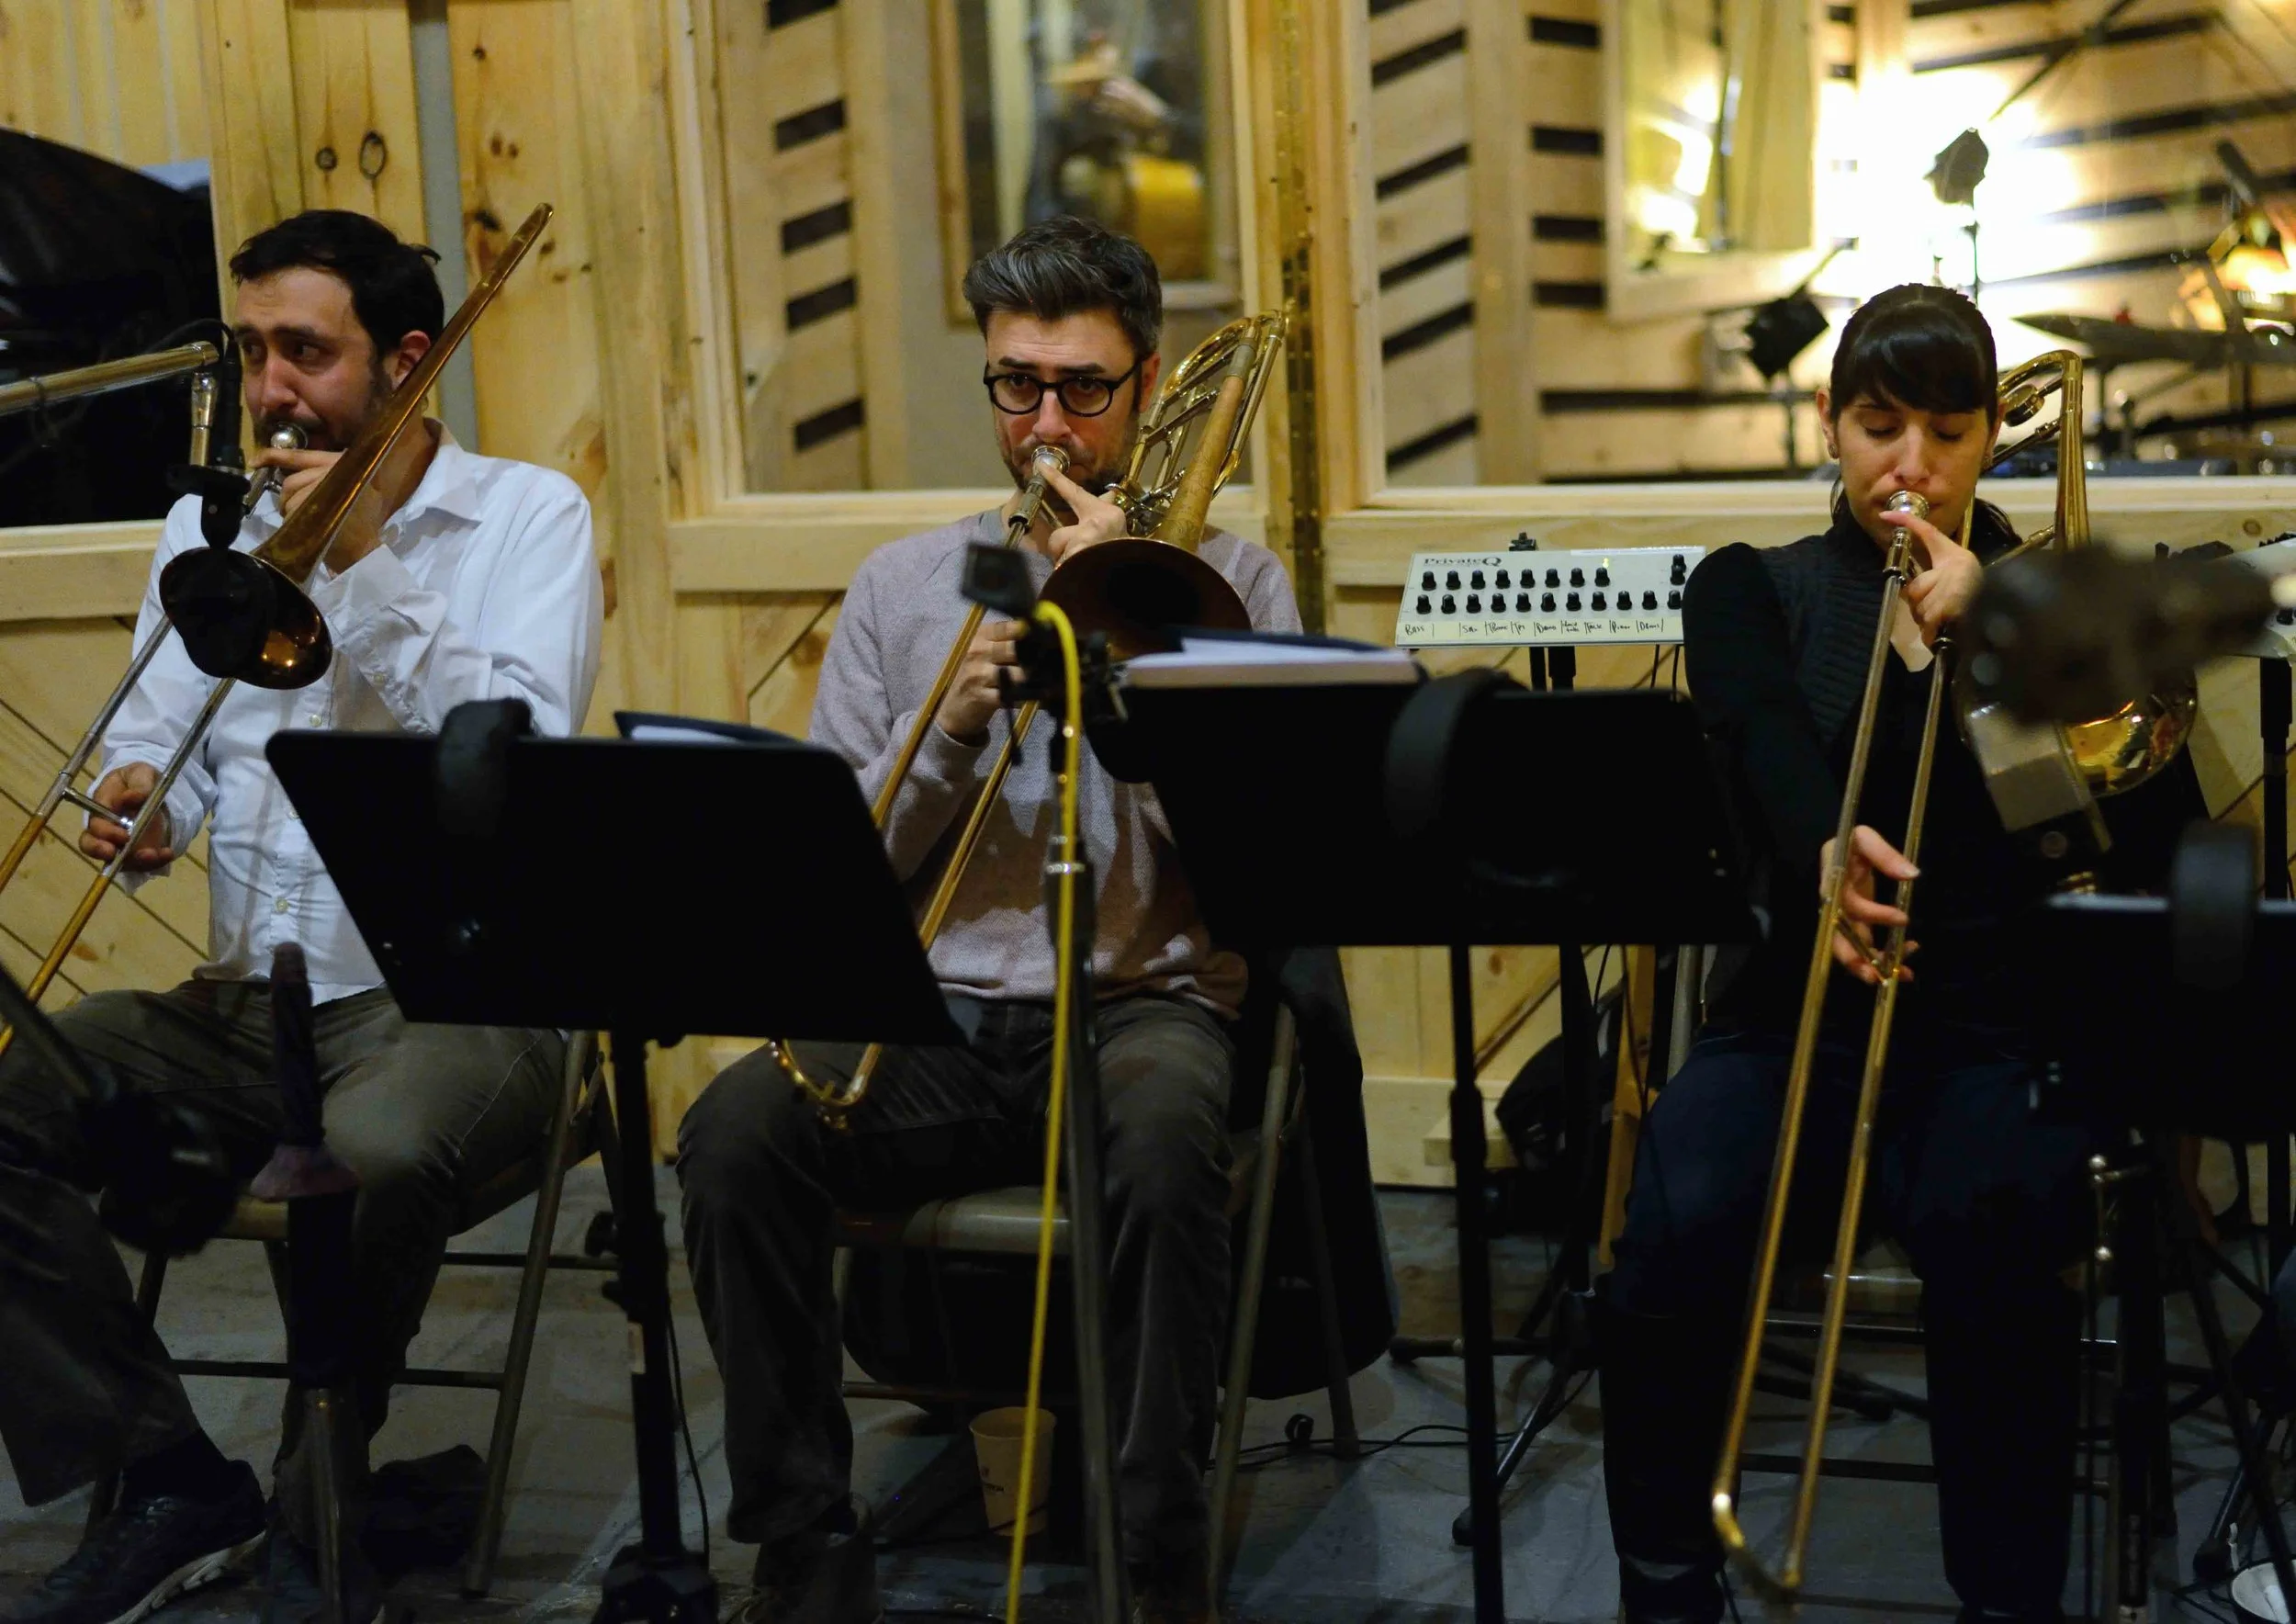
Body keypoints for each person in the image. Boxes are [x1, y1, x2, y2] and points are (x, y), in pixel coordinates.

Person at [677, 215, 1299, 1624]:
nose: (1048, 428)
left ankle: (1151, 1550)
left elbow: (1265, 860)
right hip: (939, 1014)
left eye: (1083, 387)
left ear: (1146, 386)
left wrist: (1143, 623)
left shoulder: (1233, 579)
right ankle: (802, 1536)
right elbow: (845, 868)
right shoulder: (907, 585)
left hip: (1140, 997)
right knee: (731, 1137)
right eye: (1017, 386)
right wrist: (946, 726)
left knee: (1158, 1141)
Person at [0, 209, 602, 1624]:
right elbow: (170, 745)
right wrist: (145, 801)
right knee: (12, 1110)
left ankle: (316, 1505)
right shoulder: (206, 528)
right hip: (248, 999)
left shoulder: (529, 517)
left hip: (467, 995)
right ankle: (165, 1478)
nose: (271, 388)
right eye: (255, 349)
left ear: (405, 360)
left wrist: (366, 555)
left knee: (375, 1160)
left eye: (306, 353)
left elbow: (502, 753)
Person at [1596, 282, 2199, 1624]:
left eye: (1945, 430)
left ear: (1993, 438)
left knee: (1997, 1240)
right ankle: (1665, 1573)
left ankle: (2007, 1600)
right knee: (1675, 1223)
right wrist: (1828, 853)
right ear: (1827, 424)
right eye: (1878, 426)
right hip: (1794, 1013)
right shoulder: (1751, 590)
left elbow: (2102, 844)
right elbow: (1759, 744)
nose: (1910, 465)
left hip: (1993, 1026)